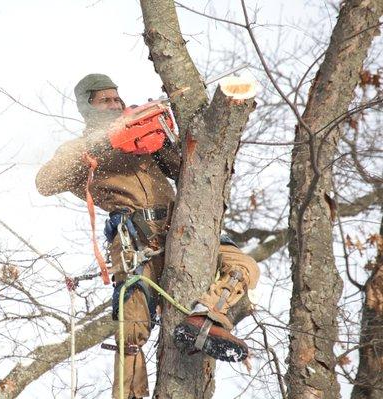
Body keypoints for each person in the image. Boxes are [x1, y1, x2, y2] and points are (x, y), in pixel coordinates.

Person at [36, 73, 259, 399]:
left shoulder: (139, 134)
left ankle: (205, 319)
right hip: (136, 238)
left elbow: (188, 169)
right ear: (89, 108)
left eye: (116, 98)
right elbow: (46, 182)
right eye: (105, 101)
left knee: (243, 266)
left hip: (183, 228)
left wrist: (162, 138)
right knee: (132, 330)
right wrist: (100, 142)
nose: (115, 104)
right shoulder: (80, 151)